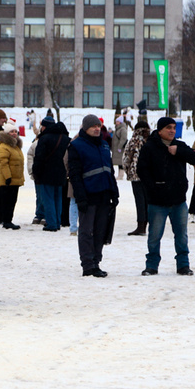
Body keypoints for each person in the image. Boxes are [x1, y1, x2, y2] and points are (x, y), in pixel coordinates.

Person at [137, 117, 195, 276]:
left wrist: (178, 151)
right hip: (157, 202)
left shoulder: (179, 145)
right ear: (160, 131)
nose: (172, 130)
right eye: (168, 128)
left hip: (178, 201)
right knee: (154, 236)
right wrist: (153, 188)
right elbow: (142, 170)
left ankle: (183, 265)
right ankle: (151, 265)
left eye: (173, 127)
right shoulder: (149, 147)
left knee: (181, 236)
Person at [67, 114, 118, 277]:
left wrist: (114, 192)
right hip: (88, 196)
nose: (97, 129)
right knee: (86, 231)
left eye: (98, 126)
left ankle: (96, 262)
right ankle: (88, 265)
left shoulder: (103, 145)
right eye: (93, 126)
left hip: (104, 195)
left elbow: (109, 170)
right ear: (85, 128)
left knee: (100, 231)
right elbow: (74, 174)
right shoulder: (76, 146)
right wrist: (80, 197)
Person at [32, 119, 70, 232]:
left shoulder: (44, 139)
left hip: (46, 173)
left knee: (48, 199)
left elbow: (39, 157)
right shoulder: (66, 139)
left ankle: (51, 224)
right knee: (58, 198)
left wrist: (36, 172)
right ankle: (57, 221)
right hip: (61, 173)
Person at [123, 120, 151, 235]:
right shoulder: (150, 140)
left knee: (139, 201)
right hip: (149, 176)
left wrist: (127, 171)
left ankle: (140, 226)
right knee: (147, 201)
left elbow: (126, 158)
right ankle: (147, 224)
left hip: (136, 175)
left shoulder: (134, 140)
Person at [26, 115, 54, 225]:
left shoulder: (51, 139)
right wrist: (31, 170)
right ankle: (39, 214)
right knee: (40, 195)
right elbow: (30, 155)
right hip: (38, 171)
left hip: (47, 172)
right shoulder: (38, 140)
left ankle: (45, 214)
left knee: (46, 195)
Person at [0, 121, 24, 230]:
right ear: (7, 133)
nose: (14, 133)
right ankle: (6, 221)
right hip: (8, 180)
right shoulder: (4, 147)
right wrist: (8, 177)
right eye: (11, 131)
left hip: (15, 180)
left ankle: (9, 220)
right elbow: (3, 162)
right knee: (7, 201)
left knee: (12, 201)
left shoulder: (15, 146)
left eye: (15, 131)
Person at [111, 114, 129, 179]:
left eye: (117, 121)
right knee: (119, 162)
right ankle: (119, 175)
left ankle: (121, 175)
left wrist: (119, 147)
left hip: (120, 149)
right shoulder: (117, 129)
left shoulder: (122, 129)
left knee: (121, 162)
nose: (116, 123)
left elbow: (123, 139)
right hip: (116, 149)